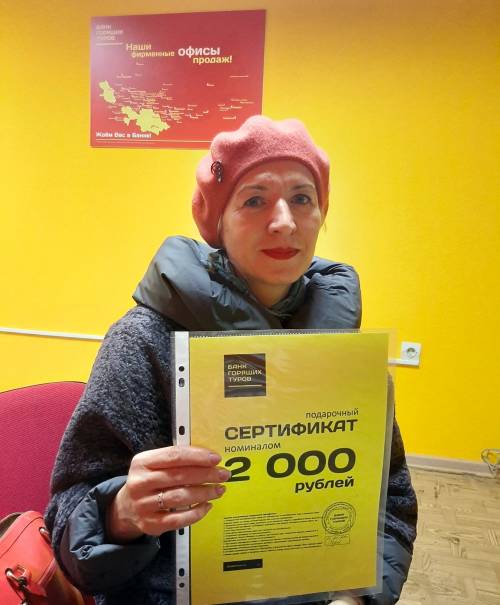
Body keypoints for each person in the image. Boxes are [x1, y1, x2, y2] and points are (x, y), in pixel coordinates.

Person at [46, 116, 417, 605]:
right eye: (254, 200)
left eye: (302, 198)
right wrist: (121, 513)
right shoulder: (144, 341)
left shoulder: (343, 351)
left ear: (321, 214)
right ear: (216, 222)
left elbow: (390, 500)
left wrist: (357, 597)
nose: (284, 221)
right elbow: (68, 521)